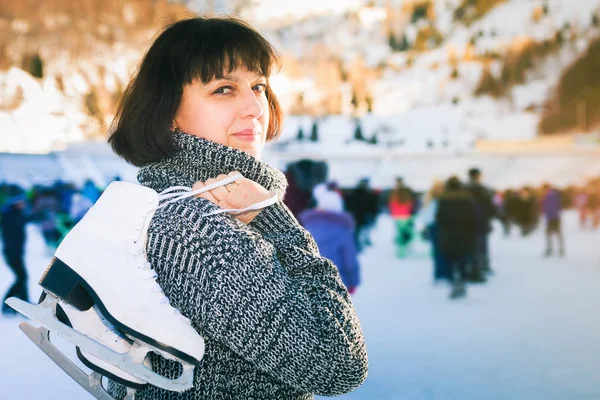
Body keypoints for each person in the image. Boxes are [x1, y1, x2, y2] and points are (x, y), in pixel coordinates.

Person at [107, 17, 367, 400]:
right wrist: (275, 218)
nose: (254, 107)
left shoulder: (163, 206)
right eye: (223, 89)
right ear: (168, 113)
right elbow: (339, 366)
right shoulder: (195, 228)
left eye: (258, 86)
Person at [299, 183, 361, 295]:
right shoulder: (343, 232)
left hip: (309, 282)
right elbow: (350, 260)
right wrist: (353, 282)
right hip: (338, 282)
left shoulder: (305, 229)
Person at [435, 177, 477, 299]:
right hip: (464, 234)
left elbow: (439, 218)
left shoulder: (443, 199)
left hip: (448, 234)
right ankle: (462, 281)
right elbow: (472, 218)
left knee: (450, 259)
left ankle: (454, 282)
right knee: (462, 259)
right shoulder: (468, 198)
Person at [1, 186, 30, 315]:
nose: (23, 203)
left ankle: (24, 302)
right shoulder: (11, 215)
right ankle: (7, 304)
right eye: (21, 201)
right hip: (12, 253)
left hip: (15, 252)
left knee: (22, 277)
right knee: (21, 277)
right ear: (15, 202)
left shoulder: (14, 214)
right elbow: (21, 221)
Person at [541, 183, 565, 257]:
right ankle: (552, 249)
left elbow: (554, 207)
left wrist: (549, 214)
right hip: (551, 218)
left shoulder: (552, 196)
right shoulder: (548, 196)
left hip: (554, 218)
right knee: (550, 234)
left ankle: (559, 249)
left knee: (556, 233)